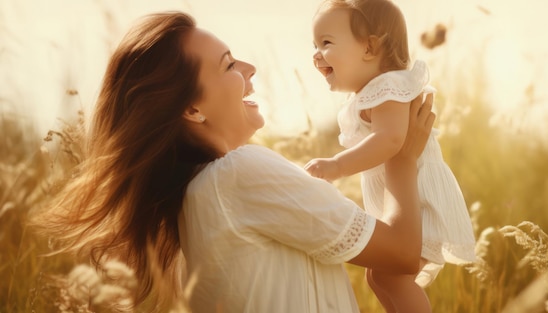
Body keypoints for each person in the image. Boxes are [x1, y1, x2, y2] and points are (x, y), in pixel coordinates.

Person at [29, 11, 437, 312]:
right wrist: (401, 158)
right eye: (228, 65)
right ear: (192, 109)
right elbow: (402, 254)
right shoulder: (240, 174)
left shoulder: (198, 197)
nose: (249, 68)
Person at [305, 0, 477, 312]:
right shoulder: (372, 93)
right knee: (379, 277)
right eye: (315, 44)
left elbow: (391, 139)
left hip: (419, 199)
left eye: (326, 43)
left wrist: (336, 166)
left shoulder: (390, 85)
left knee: (392, 277)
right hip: (404, 197)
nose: (316, 54)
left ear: (369, 48)